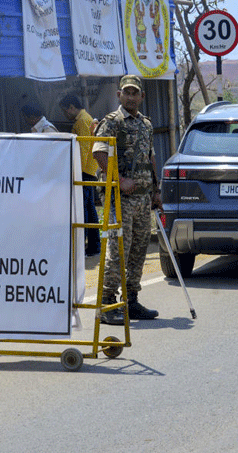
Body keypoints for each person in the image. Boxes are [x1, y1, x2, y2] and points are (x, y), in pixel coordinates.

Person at [92, 75, 162, 324]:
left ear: (142, 96)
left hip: (143, 200)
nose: (131, 97)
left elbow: (150, 158)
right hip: (120, 200)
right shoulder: (112, 122)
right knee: (118, 252)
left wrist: (156, 191)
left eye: (135, 93)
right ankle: (107, 304)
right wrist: (120, 181)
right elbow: (98, 152)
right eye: (127, 92)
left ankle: (130, 300)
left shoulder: (146, 124)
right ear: (119, 94)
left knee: (138, 252)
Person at [59, 93, 101, 258]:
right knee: (89, 208)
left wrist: (76, 170)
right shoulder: (85, 118)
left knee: (85, 209)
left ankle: (87, 245)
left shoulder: (82, 121)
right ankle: (93, 245)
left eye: (65, 110)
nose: (65, 114)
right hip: (89, 169)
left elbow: (83, 148)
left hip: (85, 169)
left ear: (71, 107)